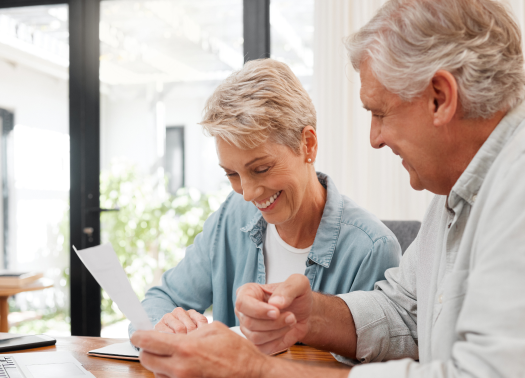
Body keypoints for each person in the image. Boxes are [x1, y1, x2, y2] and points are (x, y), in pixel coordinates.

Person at [131, 0, 525, 378]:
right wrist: (309, 315)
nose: (374, 138)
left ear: (440, 97)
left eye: (379, 112)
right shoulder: (459, 193)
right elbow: (405, 312)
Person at [138, 58, 402, 334]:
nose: (248, 193)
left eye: (261, 169)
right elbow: (160, 299)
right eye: (232, 174)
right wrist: (165, 324)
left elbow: (364, 369)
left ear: (308, 144)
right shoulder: (232, 216)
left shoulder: (372, 250)